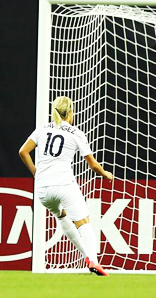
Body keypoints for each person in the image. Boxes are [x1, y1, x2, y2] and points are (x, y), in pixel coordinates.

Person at [19, 96, 113, 276]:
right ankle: (93, 260)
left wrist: (35, 171)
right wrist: (105, 174)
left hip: (43, 189)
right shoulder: (76, 133)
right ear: (70, 112)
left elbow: (23, 151)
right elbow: (92, 165)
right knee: (84, 223)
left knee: (61, 216)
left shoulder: (41, 130)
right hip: (63, 184)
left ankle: (86, 256)